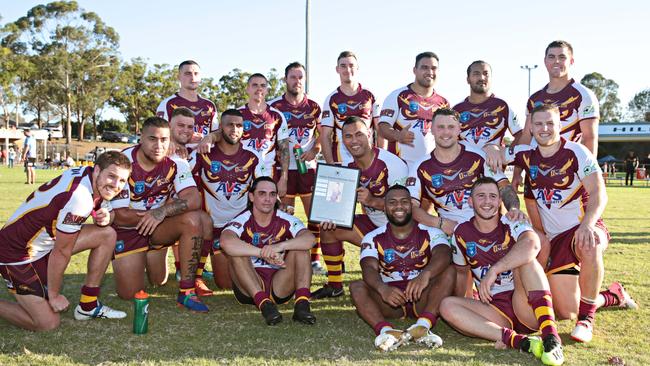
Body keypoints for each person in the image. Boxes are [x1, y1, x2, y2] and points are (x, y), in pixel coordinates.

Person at [495, 104, 637, 343]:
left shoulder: (577, 152)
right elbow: (493, 158)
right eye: (538, 123)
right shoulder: (525, 154)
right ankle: (613, 296)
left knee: (589, 243)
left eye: (550, 123)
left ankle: (586, 321)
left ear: (559, 126)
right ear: (531, 127)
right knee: (566, 311)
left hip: (583, 227)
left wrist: (588, 224)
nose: (544, 128)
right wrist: (492, 150)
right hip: (556, 240)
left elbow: (599, 192)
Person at [0, 151, 131, 331]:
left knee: (106, 234)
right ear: (98, 170)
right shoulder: (80, 197)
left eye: (122, 180)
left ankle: (88, 305)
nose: (116, 185)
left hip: (42, 244)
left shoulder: (89, 174)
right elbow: (61, 252)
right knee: (47, 323)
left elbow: (104, 209)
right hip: (16, 253)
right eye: (112, 176)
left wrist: (107, 216)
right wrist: (54, 295)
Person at [441, 177, 564, 366]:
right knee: (447, 305)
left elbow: (532, 244)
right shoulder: (461, 233)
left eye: (492, 196)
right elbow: (461, 272)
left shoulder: (512, 220)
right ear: (470, 201)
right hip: (494, 309)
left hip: (525, 301)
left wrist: (494, 270)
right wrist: (466, 307)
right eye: (480, 196)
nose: (487, 202)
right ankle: (519, 341)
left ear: (499, 202)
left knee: (526, 260)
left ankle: (550, 336)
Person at [406, 107, 520, 296]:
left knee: (532, 240)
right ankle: (466, 298)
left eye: (451, 127)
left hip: (488, 226)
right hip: (449, 230)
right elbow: (411, 207)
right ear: (431, 129)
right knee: (449, 277)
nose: (446, 132)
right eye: (440, 127)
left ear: (460, 128)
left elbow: (503, 186)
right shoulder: (421, 166)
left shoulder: (478, 156)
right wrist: (440, 223)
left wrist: (514, 208)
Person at [110, 117, 212, 313]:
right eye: (152, 139)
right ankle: (143, 254)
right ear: (140, 138)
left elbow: (193, 199)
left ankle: (187, 290)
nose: (159, 145)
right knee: (129, 293)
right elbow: (120, 215)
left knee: (198, 219)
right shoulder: (122, 161)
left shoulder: (176, 161)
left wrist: (162, 211)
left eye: (164, 140)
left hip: (157, 224)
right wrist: (152, 215)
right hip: (127, 229)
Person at [312, 116, 409, 299]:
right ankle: (335, 285)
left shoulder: (392, 164)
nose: (354, 141)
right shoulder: (349, 168)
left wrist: (373, 201)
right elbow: (337, 204)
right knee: (329, 229)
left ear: (370, 134)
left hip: (401, 233)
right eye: (348, 136)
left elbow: (407, 208)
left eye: (359, 134)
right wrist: (325, 201)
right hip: (374, 227)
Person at [350, 185, 454, 351]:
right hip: (391, 301)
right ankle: (386, 332)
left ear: (411, 206)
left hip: (421, 296)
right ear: (384, 207)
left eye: (404, 202)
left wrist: (425, 275)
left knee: (449, 271)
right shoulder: (372, 237)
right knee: (356, 286)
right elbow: (368, 267)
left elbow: (444, 253)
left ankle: (422, 326)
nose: (399, 206)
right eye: (392, 202)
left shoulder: (431, 232)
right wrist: (382, 288)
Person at [220, 176, 317, 326]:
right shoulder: (243, 219)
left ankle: (302, 305)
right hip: (249, 284)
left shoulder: (285, 219)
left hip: (280, 282)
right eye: (262, 193)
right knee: (236, 253)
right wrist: (262, 253)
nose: (268, 199)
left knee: (301, 249)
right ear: (251, 196)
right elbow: (226, 242)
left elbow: (310, 239)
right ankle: (264, 305)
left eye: (272, 194)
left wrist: (278, 247)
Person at [190, 109, 264, 289]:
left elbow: (263, 187)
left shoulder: (252, 156)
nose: (235, 129)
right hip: (213, 226)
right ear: (220, 128)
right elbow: (182, 181)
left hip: (242, 227)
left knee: (247, 281)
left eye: (239, 125)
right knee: (225, 284)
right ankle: (196, 275)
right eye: (230, 124)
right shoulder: (202, 153)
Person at [149, 106, 216, 296]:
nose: (185, 130)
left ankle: (196, 277)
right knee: (157, 280)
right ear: (168, 126)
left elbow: (222, 133)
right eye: (180, 126)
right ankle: (174, 265)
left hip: (177, 217)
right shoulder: (160, 149)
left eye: (189, 127)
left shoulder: (193, 147)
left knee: (203, 220)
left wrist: (208, 137)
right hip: (150, 220)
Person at [269, 61, 325, 275]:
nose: (297, 81)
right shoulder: (275, 107)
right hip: (284, 169)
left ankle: (315, 259)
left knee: (315, 215)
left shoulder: (314, 106)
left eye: (300, 77)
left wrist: (315, 148)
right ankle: (286, 256)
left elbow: (323, 132)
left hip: (307, 168)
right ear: (285, 80)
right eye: (293, 77)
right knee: (286, 214)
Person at [378, 51, 449, 167]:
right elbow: (382, 128)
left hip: (431, 169)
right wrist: (397, 135)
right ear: (414, 70)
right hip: (401, 167)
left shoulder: (443, 103)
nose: (430, 72)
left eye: (434, 68)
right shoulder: (398, 96)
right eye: (424, 68)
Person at [320, 51, 382, 165]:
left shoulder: (370, 95)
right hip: (341, 162)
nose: (348, 70)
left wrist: (381, 159)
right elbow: (325, 136)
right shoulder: (331, 99)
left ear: (357, 68)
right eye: (343, 66)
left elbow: (380, 130)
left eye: (351, 66)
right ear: (337, 69)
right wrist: (330, 164)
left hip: (369, 162)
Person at [453, 61, 524, 149]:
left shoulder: (502, 106)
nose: (482, 78)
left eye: (486, 74)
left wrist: (506, 154)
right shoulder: (457, 109)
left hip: (493, 162)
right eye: (476, 74)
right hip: (465, 162)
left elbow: (520, 135)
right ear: (468, 79)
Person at [157, 60, 218, 144]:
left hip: (204, 156)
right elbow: (158, 133)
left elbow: (216, 133)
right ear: (178, 77)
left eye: (196, 74)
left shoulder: (209, 105)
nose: (193, 78)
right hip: (177, 155)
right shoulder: (167, 104)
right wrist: (185, 138)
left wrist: (208, 138)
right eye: (188, 74)